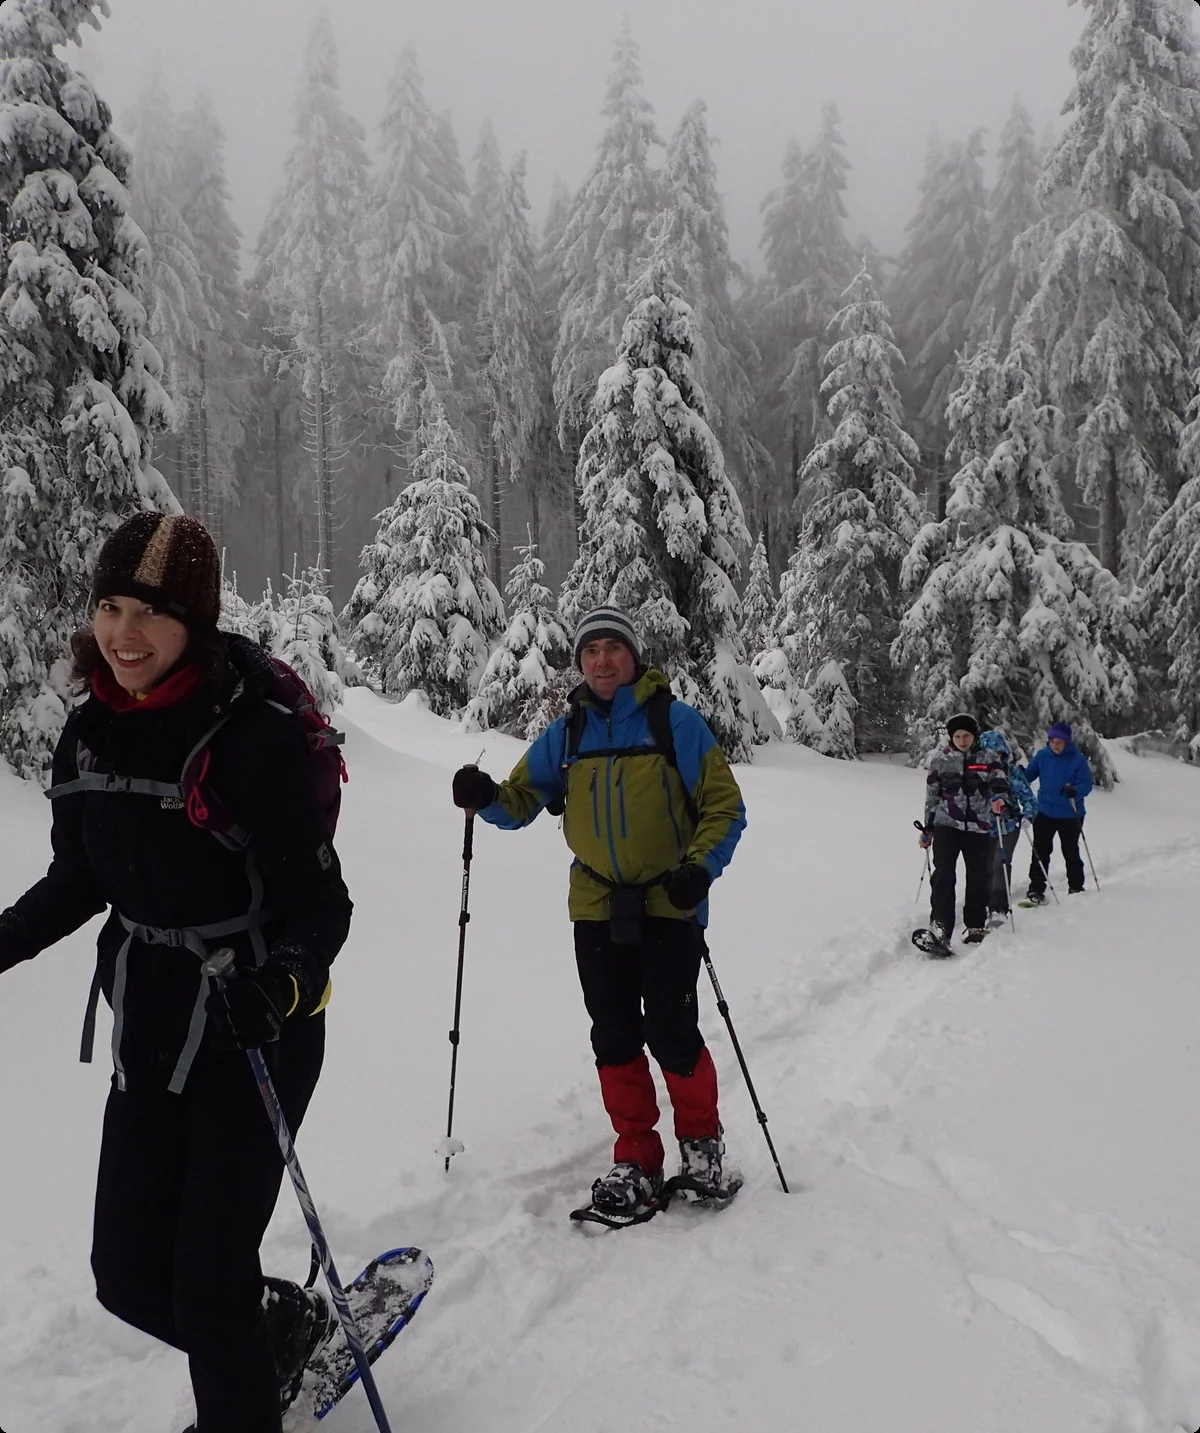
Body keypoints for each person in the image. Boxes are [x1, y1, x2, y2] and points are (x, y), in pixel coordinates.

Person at [0, 513, 353, 1433]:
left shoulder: (252, 738)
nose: (123, 633)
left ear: (195, 620)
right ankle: (271, 1326)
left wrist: (279, 985)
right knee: (126, 1277)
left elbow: (324, 908)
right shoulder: (86, 734)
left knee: (203, 1285)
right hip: (152, 1024)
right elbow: (77, 880)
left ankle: (239, 1384)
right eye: (110, 606)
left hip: (256, 1029)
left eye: (150, 613)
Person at [451, 606, 746, 1216]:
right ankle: (636, 1155)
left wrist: (700, 868)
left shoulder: (675, 723)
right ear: (580, 662)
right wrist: (485, 798)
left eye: (614, 648)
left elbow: (724, 807)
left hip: (670, 901)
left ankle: (701, 1145)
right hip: (595, 903)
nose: (603, 660)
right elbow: (522, 797)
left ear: (633, 656)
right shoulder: (568, 733)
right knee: (613, 1033)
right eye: (591, 651)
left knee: (670, 1029)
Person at [918, 713, 1010, 945]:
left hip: (978, 828)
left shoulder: (988, 757)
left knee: (978, 878)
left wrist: (1000, 798)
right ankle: (940, 926)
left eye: (966, 735)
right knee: (943, 876)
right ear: (951, 737)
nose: (962, 740)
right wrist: (928, 828)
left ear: (974, 735)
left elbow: (1000, 782)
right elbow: (932, 795)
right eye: (957, 736)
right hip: (947, 825)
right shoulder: (941, 759)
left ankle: (975, 925)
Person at [1023, 721, 1093, 902]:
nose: (1055, 745)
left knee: (1070, 851)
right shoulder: (1042, 756)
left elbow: (1086, 784)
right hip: (1045, 811)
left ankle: (1076, 887)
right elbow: (1028, 776)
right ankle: (1036, 889)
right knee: (1040, 851)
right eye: (1053, 741)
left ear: (1067, 742)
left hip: (1070, 813)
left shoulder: (1077, 760)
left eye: (1059, 742)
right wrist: (1018, 775)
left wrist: (1075, 791)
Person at [977, 727, 1037, 925]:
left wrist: (1028, 815)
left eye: (999, 753)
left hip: (1008, 825)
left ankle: (999, 907)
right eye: (990, 753)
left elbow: (1028, 798)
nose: (995, 757)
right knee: (984, 866)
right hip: (983, 826)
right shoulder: (976, 774)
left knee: (1000, 863)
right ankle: (984, 902)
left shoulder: (1013, 773)